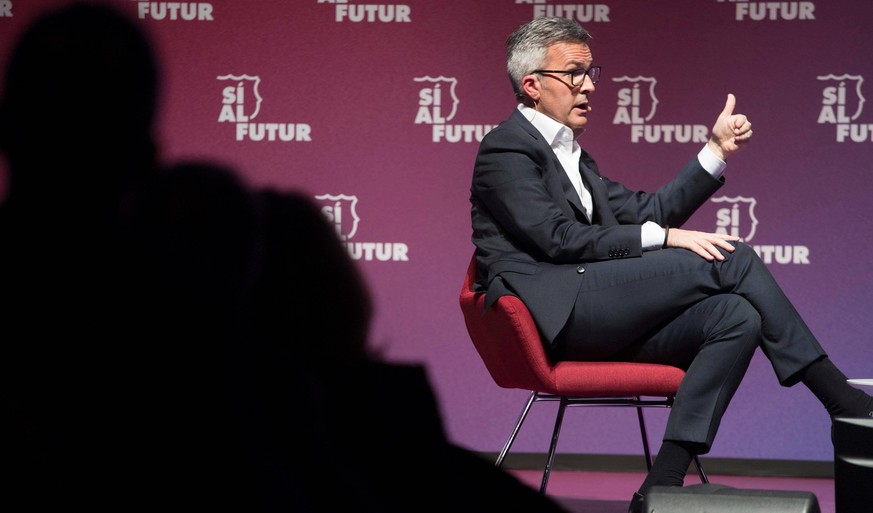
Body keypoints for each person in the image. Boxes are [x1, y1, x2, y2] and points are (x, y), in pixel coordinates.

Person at [469, 16, 873, 513]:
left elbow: (647, 213)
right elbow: (558, 239)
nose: (590, 85)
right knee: (733, 257)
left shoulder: (574, 155)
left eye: (593, 72)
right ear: (532, 85)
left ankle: (660, 486)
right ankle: (842, 402)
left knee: (735, 316)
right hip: (559, 310)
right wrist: (667, 239)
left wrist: (715, 152)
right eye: (575, 73)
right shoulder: (505, 149)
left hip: (595, 306)